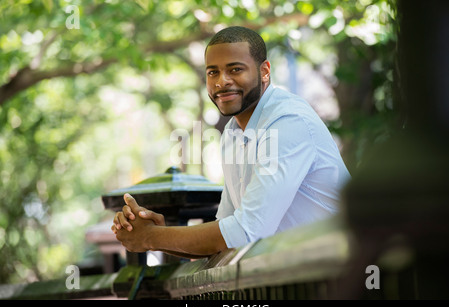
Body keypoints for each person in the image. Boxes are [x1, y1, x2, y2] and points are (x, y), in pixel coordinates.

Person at [111, 26, 351, 258]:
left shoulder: (288, 121)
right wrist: (156, 234)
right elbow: (225, 237)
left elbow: (246, 232)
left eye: (235, 69)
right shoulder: (233, 133)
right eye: (212, 72)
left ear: (265, 71)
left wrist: (152, 237)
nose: (221, 81)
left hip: (343, 273)